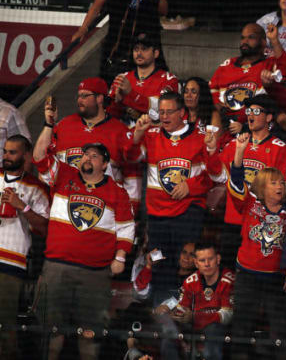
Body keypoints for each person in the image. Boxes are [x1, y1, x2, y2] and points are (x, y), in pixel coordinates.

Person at [32, 139, 135, 360]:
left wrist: (120, 256)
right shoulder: (64, 175)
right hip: (57, 268)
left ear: (105, 164)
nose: (87, 158)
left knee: (90, 335)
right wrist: (48, 125)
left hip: (95, 274)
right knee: (52, 331)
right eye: (85, 154)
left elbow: (126, 228)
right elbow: (39, 156)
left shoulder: (117, 192)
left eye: (94, 156)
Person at [128, 92, 226, 306]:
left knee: (187, 264)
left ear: (182, 112)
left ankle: (189, 311)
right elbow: (130, 157)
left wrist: (190, 186)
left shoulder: (201, 137)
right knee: (158, 261)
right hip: (157, 219)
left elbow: (218, 176)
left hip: (187, 214)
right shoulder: (151, 135)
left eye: (169, 111)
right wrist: (136, 135)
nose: (164, 116)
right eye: (161, 112)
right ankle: (162, 315)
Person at [226, 137, 286, 359]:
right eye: (274, 183)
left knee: (281, 328)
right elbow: (236, 179)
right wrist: (240, 152)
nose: (280, 186)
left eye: (281, 183)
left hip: (277, 279)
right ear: (262, 187)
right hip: (247, 275)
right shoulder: (250, 203)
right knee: (241, 326)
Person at [44, 77, 139, 210]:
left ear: (100, 98)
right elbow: (46, 166)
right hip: (64, 210)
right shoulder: (63, 126)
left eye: (84, 96)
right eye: (79, 96)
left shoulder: (120, 131)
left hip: (104, 212)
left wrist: (130, 212)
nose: (79, 100)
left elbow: (132, 177)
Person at [72, 0, 168, 81]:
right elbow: (95, 8)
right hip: (117, 45)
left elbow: (164, 10)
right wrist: (83, 29)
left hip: (144, 44)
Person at [219, 95, 286, 249]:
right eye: (249, 111)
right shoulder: (234, 144)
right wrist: (211, 150)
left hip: (260, 222)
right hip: (233, 219)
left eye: (256, 111)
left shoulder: (279, 148)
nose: (250, 115)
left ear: (268, 117)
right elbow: (217, 175)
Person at [0, 135, 50, 360]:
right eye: (5, 151)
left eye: (12, 152)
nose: (6, 156)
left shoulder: (36, 187)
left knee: (5, 323)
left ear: (26, 156)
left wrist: (23, 207)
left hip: (12, 262)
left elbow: (45, 229)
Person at [209, 23, 286, 123]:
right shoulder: (227, 65)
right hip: (224, 123)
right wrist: (216, 104)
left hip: (254, 125)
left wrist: (274, 41)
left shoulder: (269, 64)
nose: (245, 41)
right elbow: (211, 90)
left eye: (251, 37)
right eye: (243, 38)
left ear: (263, 42)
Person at [132, 242, 196, 360]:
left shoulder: (196, 281)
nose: (186, 257)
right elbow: (140, 289)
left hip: (179, 325)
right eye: (184, 252)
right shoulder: (166, 273)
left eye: (192, 254)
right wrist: (149, 266)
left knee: (168, 339)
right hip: (153, 320)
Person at [173, 242, 234, 360]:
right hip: (195, 327)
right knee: (170, 332)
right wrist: (175, 313)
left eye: (210, 259)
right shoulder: (190, 282)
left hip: (221, 330)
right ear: (196, 263)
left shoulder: (229, 280)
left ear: (218, 259)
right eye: (202, 260)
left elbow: (227, 315)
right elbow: (182, 308)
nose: (206, 264)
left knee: (213, 329)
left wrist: (196, 316)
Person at [109, 33, 180, 124]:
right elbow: (110, 115)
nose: (139, 53)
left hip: (154, 135)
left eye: (144, 49)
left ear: (156, 53)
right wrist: (117, 101)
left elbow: (160, 110)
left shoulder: (169, 80)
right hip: (125, 134)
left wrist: (131, 94)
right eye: (136, 49)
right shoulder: (123, 78)